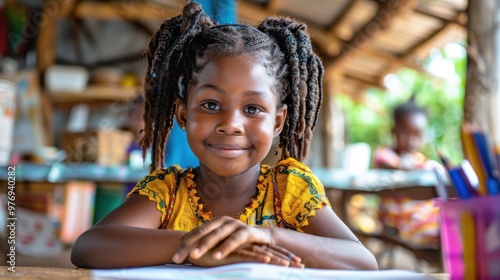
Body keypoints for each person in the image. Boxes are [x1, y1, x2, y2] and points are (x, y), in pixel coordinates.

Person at [71, 2, 377, 270]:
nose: (231, 124)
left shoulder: (289, 191)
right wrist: (193, 246)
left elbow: (362, 261)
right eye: (211, 105)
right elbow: (89, 247)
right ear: (183, 114)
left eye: (253, 108)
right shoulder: (168, 192)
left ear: (278, 122)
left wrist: (267, 235)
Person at [373, 97, 440, 246]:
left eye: (418, 135)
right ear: (393, 132)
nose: (412, 141)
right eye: (405, 133)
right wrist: (410, 168)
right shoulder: (385, 154)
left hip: (422, 217)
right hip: (398, 223)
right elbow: (386, 166)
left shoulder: (419, 159)